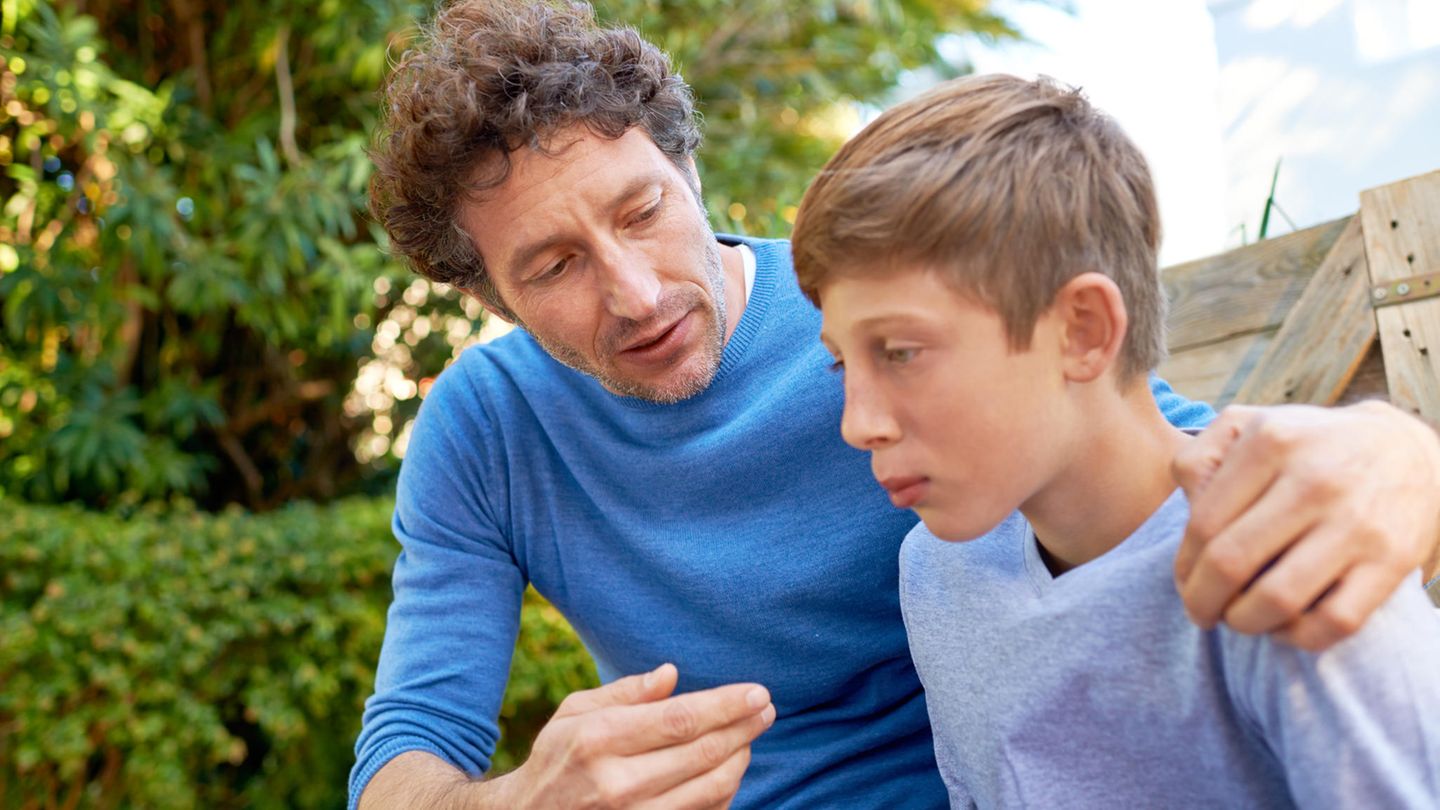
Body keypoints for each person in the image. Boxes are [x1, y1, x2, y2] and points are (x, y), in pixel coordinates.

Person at [352, 2, 1440, 808]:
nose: (634, 294)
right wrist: (514, 802)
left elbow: (1124, 439)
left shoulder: (880, 304)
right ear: (488, 295)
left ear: (689, 169)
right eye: (551, 268)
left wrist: (1407, 453)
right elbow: (404, 756)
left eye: (641, 211)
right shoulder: (486, 433)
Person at [792, 73, 1440, 807]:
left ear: (1083, 331)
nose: (857, 423)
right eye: (843, 363)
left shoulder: (1291, 558)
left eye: (900, 352)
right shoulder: (937, 575)